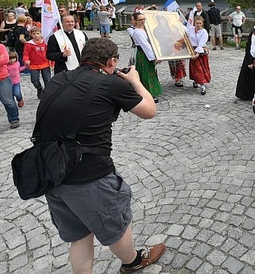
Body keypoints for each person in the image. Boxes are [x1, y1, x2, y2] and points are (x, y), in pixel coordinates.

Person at [37, 38, 165, 273]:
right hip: (89, 175)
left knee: (80, 233)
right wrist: (135, 81)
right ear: (112, 61)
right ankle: (133, 261)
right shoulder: (110, 84)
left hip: (51, 172)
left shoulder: (58, 80)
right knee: (115, 226)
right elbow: (149, 110)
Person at [127, 12, 162, 102]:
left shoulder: (145, 29)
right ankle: (149, 93)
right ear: (135, 21)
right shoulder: (137, 32)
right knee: (146, 73)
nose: (142, 21)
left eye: (143, 19)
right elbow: (145, 46)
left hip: (147, 53)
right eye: (140, 20)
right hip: (143, 54)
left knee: (151, 72)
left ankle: (149, 91)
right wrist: (154, 57)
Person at [185, 16, 211, 94]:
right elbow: (185, 34)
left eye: (200, 23)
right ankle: (196, 81)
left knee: (201, 68)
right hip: (192, 50)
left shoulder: (204, 32)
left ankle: (202, 85)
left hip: (200, 51)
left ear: (202, 23)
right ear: (194, 23)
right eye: (197, 23)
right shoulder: (190, 29)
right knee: (195, 68)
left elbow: (201, 44)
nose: (198, 25)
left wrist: (197, 53)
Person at [23, 27, 51, 99]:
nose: (36, 35)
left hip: (45, 63)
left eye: (37, 33)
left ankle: (47, 92)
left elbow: (49, 52)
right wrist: (26, 60)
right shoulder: (28, 44)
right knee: (34, 80)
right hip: (33, 65)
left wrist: (52, 62)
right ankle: (39, 88)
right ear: (31, 35)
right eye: (34, 34)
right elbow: (25, 54)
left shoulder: (45, 43)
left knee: (47, 79)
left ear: (41, 34)